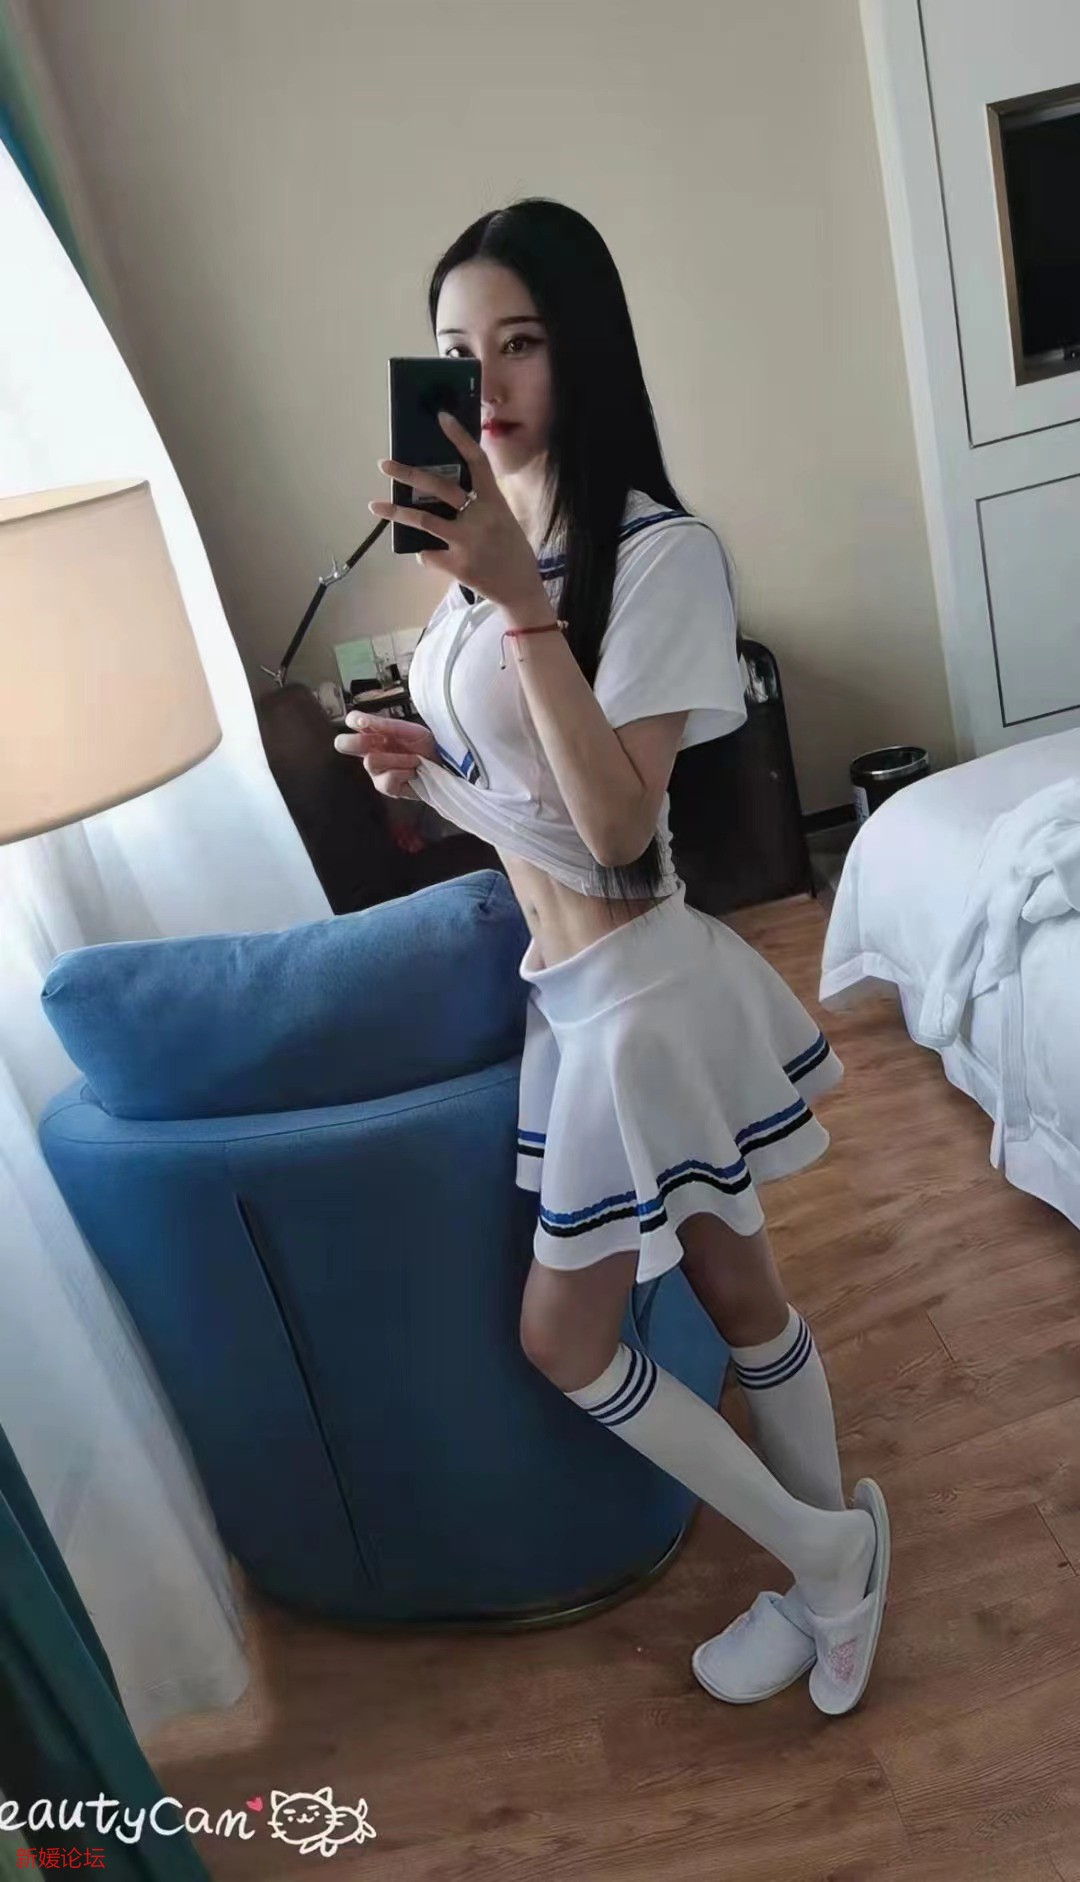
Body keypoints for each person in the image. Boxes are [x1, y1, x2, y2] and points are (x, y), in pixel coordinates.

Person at [336, 199, 889, 1715]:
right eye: (457, 350)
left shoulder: (659, 555)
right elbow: (533, 818)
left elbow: (621, 832)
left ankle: (827, 1554)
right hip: (573, 1001)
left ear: (580, 351)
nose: (486, 382)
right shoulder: (477, 565)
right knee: (737, 1291)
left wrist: (521, 604)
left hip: (646, 990)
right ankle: (831, 1574)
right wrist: (428, 775)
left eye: (519, 342)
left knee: (572, 1332)